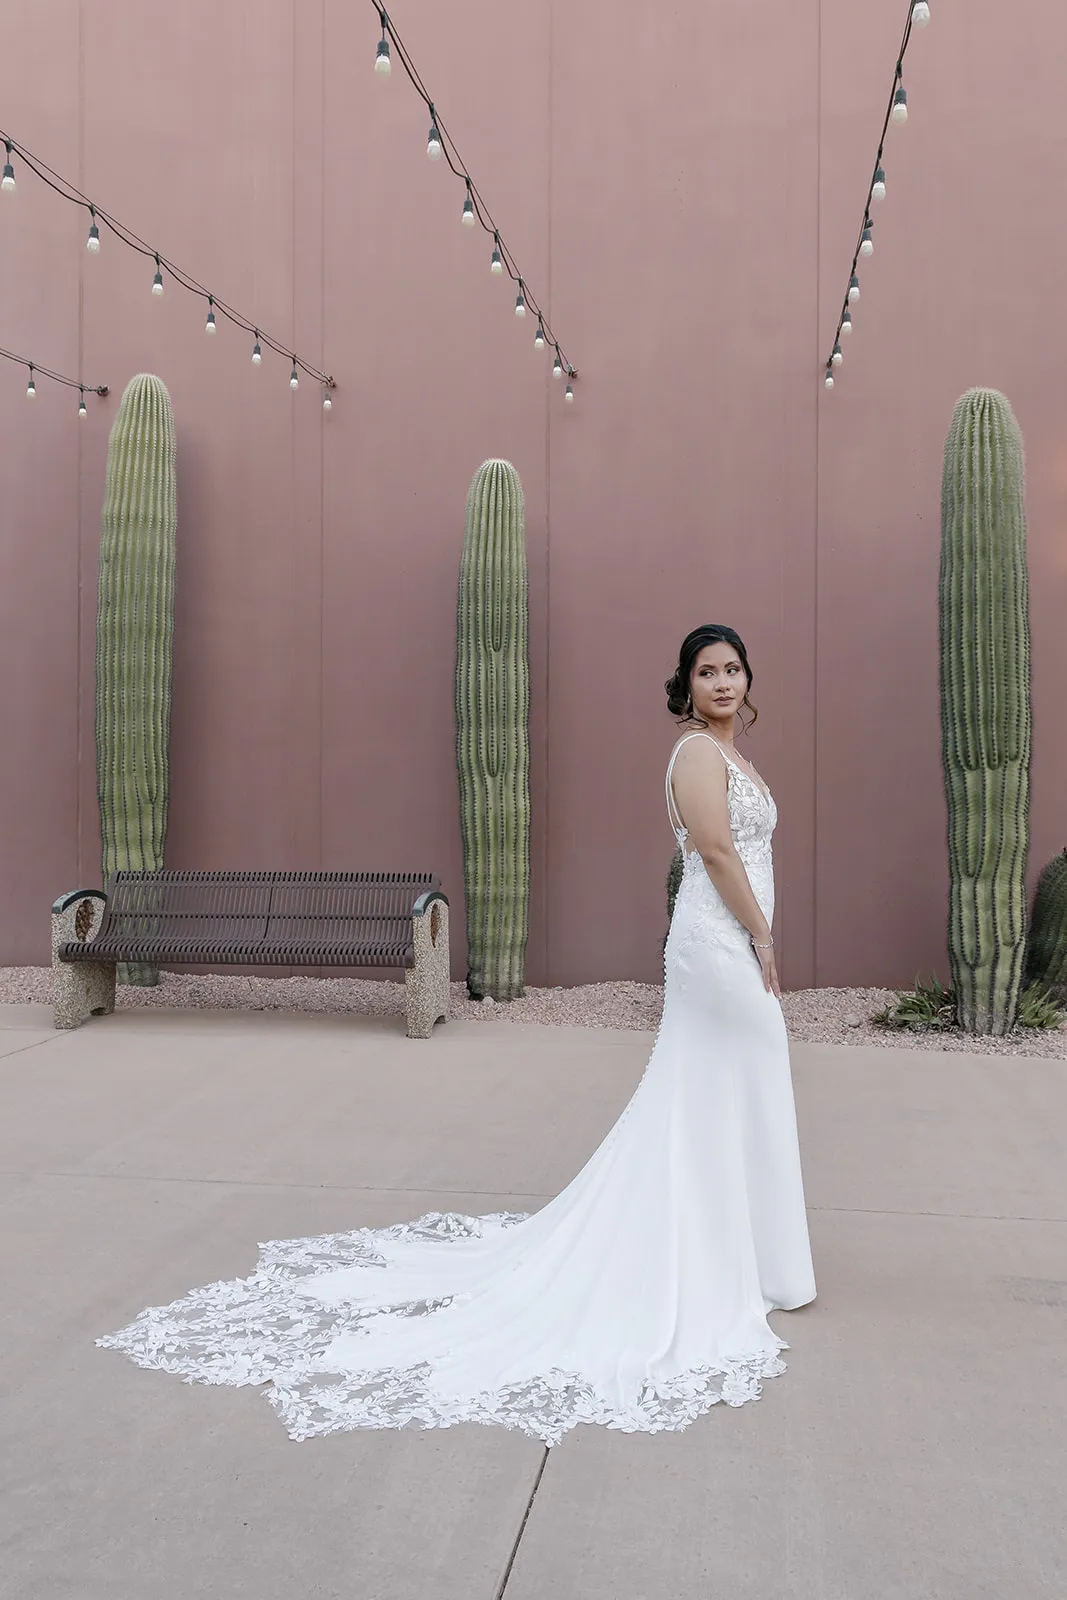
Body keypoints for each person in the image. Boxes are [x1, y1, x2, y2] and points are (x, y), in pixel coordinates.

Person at [97, 623, 816, 1447]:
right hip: (719, 942)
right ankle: (727, 1257)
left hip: (734, 938)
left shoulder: (736, 758)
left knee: (731, 1088)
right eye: (705, 671)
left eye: (731, 669)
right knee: (728, 1080)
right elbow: (719, 853)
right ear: (683, 686)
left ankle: (751, 1256)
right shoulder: (693, 755)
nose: (721, 682)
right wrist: (761, 937)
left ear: (747, 679)